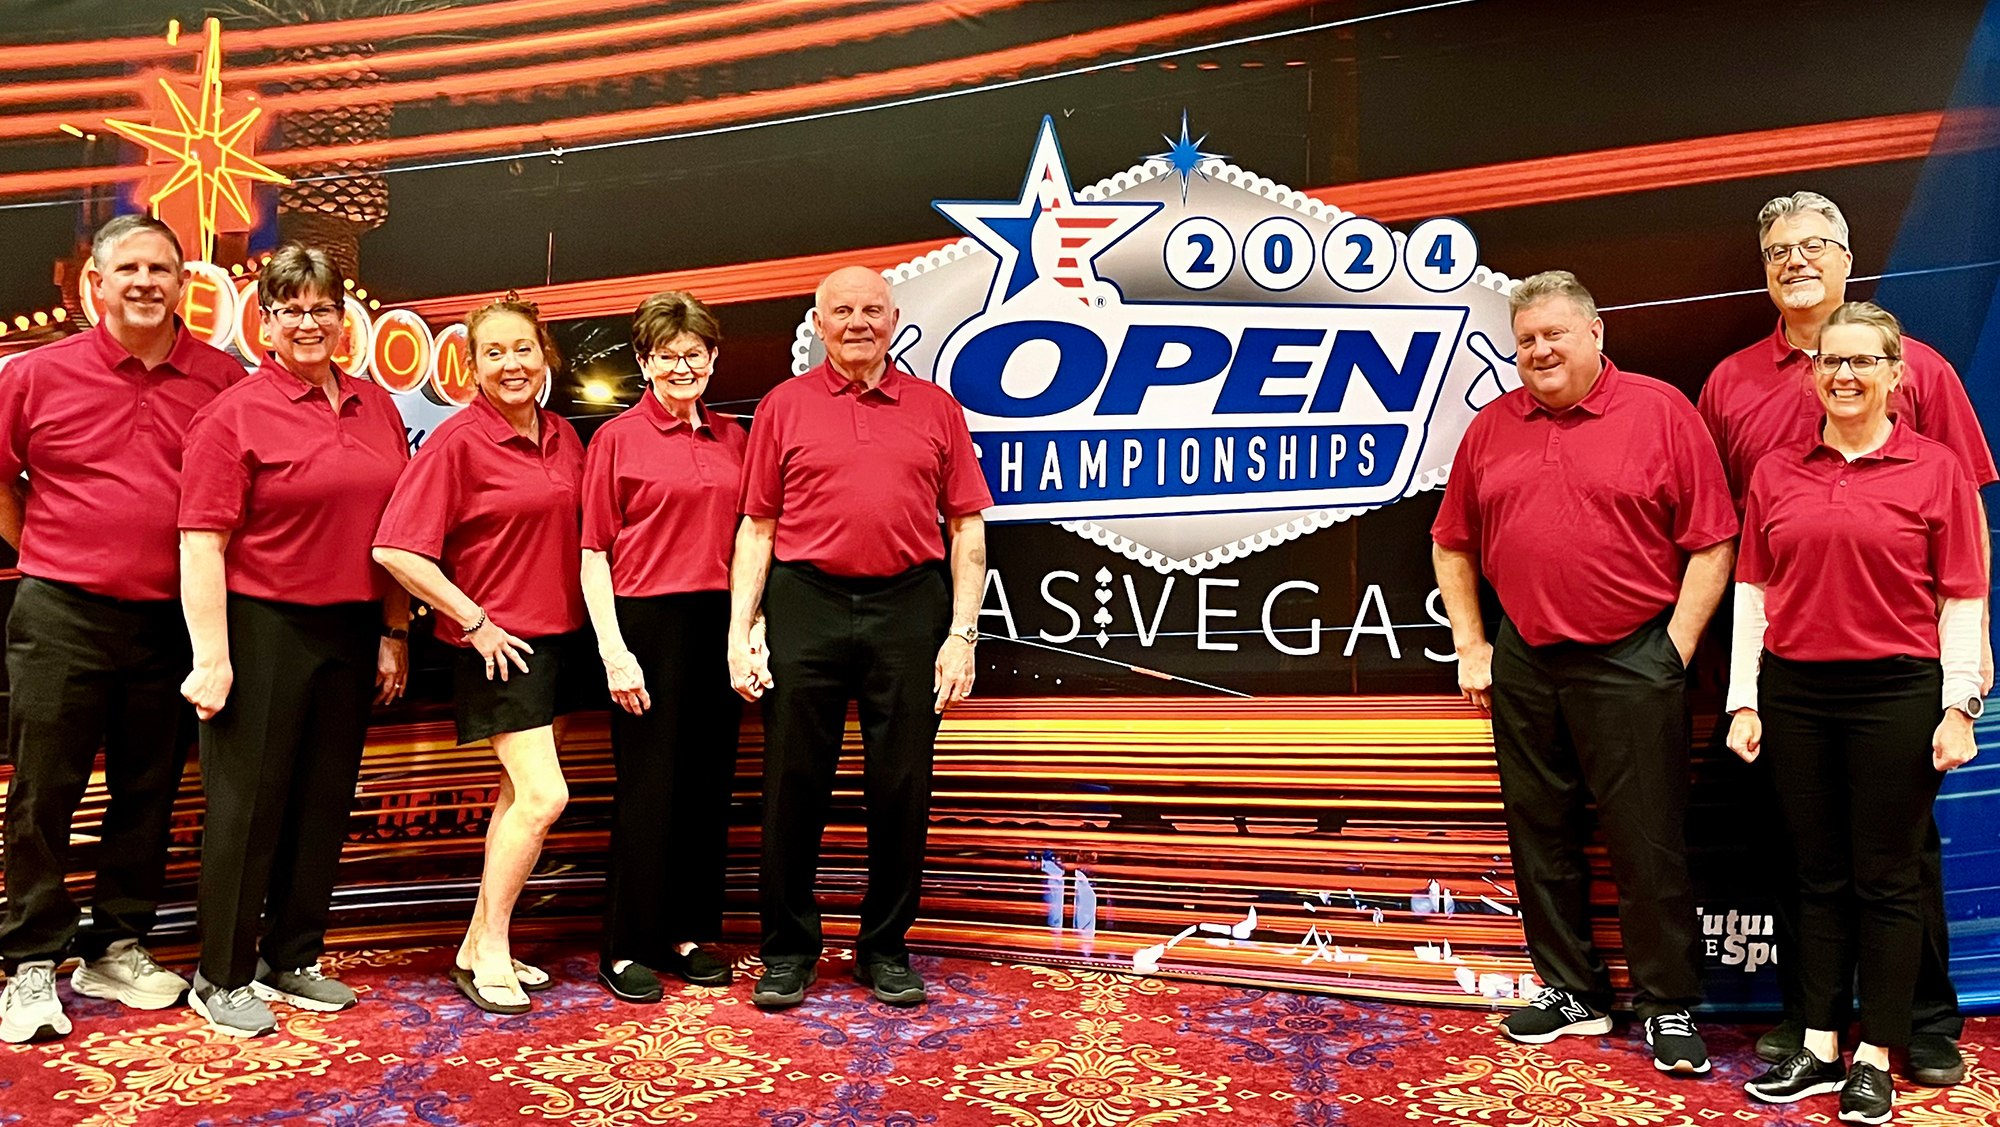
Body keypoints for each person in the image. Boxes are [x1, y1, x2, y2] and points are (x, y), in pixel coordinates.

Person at [1699, 191, 1996, 1086]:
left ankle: (1923, 1020)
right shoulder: (1731, 382)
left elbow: (1963, 524)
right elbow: (1731, 538)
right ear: (1764, 267)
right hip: (1792, 668)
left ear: (1845, 256)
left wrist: (1965, 682)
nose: (1797, 260)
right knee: (1806, 860)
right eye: (1779, 248)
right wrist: (1741, 683)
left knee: (1903, 858)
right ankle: (1810, 1023)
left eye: (1815, 245)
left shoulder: (1929, 370)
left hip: (1899, 668)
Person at [1431, 270, 1737, 1073]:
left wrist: (1672, 647)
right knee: (1541, 834)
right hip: (1526, 657)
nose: (1539, 350)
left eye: (1554, 334)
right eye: (1526, 339)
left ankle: (1667, 1004)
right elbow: (1451, 540)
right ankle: (1573, 992)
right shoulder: (1491, 426)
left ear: (1596, 334)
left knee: (1649, 842)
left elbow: (1713, 541)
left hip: (1634, 653)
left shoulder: (1662, 411)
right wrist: (1473, 642)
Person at [0, 216, 241, 1043]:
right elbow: (0, 483)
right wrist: (51, 546)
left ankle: (115, 943)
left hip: (173, 619)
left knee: (149, 790)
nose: (145, 280)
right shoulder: (33, 375)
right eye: (128, 267)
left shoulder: (222, 378)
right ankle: (30, 958)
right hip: (60, 609)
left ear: (184, 285)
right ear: (92, 284)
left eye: (162, 268)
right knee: (43, 791)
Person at [729, 265, 991, 1009]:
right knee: (790, 783)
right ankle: (787, 950)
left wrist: (962, 634)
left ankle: (885, 948)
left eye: (871, 309)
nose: (857, 322)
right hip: (805, 598)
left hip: (910, 605)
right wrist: (740, 631)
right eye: (841, 310)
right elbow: (758, 527)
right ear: (817, 322)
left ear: (895, 316)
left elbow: (967, 526)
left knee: (902, 786)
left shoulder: (936, 408)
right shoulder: (783, 406)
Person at [178, 243, 411, 1037]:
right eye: (291, 310)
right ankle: (221, 974)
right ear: (265, 323)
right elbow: (201, 541)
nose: (309, 322)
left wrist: (391, 628)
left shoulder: (377, 405)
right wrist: (212, 656)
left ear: (343, 317)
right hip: (263, 624)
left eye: (322, 307)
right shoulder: (232, 414)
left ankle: (292, 954)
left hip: (350, 625)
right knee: (247, 806)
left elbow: (394, 533)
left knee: (322, 798)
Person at [373, 293, 587, 1015]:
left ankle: (476, 942)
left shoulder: (562, 435)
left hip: (558, 641)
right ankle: (491, 947)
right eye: (492, 352)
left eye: (521, 348)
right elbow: (396, 548)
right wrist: (474, 620)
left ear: (544, 353)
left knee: (516, 797)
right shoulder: (458, 442)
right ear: (472, 366)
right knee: (544, 796)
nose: (511, 363)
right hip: (499, 648)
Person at [581, 291, 749, 1002]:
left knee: (706, 788)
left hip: (720, 622)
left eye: (694, 354)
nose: (681, 366)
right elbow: (593, 552)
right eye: (665, 355)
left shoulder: (737, 437)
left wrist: (751, 627)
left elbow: (755, 541)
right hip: (644, 622)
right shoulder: (616, 438)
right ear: (644, 361)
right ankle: (627, 945)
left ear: (713, 357)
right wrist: (614, 650)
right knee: (647, 789)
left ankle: (685, 933)